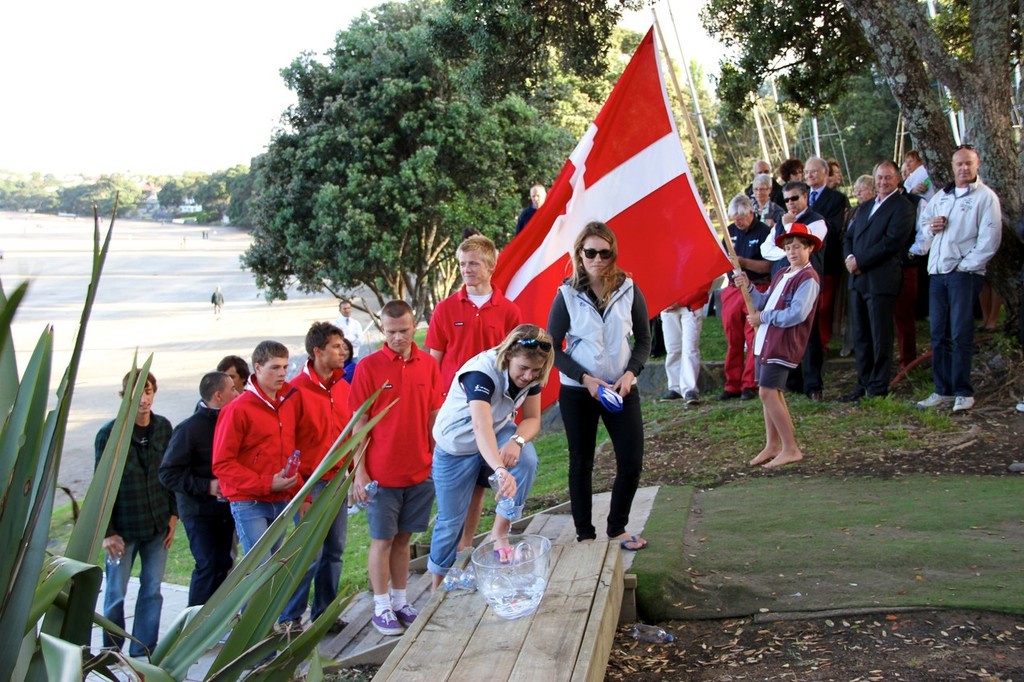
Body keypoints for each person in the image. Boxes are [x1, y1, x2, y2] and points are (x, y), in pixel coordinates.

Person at [547, 221, 652, 550]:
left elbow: (644, 339)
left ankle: (617, 527)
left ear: (613, 254)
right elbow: (553, 346)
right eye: (590, 252)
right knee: (581, 461)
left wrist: (631, 373)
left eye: (604, 253)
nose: (597, 259)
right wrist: (585, 379)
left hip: (620, 387)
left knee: (632, 459)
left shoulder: (629, 288)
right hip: (579, 390)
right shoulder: (566, 294)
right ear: (579, 253)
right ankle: (585, 533)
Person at [427, 325, 553, 587]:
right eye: (523, 369)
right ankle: (435, 585)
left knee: (527, 459)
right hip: (457, 444)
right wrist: (499, 469)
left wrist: (516, 441)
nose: (528, 376)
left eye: (535, 371)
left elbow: (532, 419)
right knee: (451, 520)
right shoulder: (480, 374)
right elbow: (479, 427)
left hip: (495, 431)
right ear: (508, 357)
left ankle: (500, 531)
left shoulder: (532, 377)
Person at [349, 300, 443, 636]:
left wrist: (435, 459)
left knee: (404, 539)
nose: (398, 338)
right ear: (381, 330)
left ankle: (401, 601)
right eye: (391, 332)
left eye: (404, 330)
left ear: (414, 325)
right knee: (382, 540)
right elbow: (359, 423)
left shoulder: (428, 365)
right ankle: (381, 606)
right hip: (381, 475)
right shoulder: (368, 368)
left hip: (420, 471)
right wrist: (359, 473)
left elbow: (434, 415)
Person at [425, 234, 521, 551]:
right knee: (455, 490)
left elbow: (516, 363)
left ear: (490, 266)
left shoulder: (508, 311)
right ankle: (447, 556)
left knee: (480, 487)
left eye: (474, 264)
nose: (466, 270)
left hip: (492, 412)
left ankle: (467, 546)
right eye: (462, 264)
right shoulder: (445, 309)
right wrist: (433, 405)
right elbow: (433, 363)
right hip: (456, 413)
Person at [915, 145, 1002, 412]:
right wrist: (932, 228)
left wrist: (966, 266)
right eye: (959, 164)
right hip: (938, 273)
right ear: (952, 167)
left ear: (977, 165)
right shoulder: (942, 195)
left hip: (963, 274)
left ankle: (964, 390)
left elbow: (990, 238)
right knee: (938, 332)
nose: (963, 169)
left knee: (960, 330)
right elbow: (924, 226)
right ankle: (943, 389)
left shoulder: (985, 198)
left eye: (968, 163)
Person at [279, 322, 354, 633]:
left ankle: (325, 614)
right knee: (310, 552)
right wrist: (302, 493)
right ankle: (290, 618)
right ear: (317, 351)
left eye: (343, 346)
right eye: (336, 346)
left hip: (339, 481)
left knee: (335, 549)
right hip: (310, 484)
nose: (343, 351)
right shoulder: (295, 391)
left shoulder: (345, 387)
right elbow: (287, 446)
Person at [97, 370, 177, 657]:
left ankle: (143, 649)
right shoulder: (109, 434)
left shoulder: (164, 428)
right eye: (136, 393)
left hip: (157, 524)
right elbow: (101, 487)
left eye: (148, 391)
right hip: (123, 530)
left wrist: (173, 514)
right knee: (115, 593)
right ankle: (111, 650)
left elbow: (170, 474)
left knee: (152, 589)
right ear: (125, 396)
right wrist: (106, 533)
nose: (143, 399)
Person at [733, 223, 822, 468]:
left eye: (797, 247)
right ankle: (772, 444)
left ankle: (791, 448)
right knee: (769, 392)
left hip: (783, 343)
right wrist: (748, 286)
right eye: (788, 248)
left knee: (768, 392)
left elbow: (796, 314)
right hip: (766, 340)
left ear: (809, 249)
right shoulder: (782, 273)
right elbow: (765, 301)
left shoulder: (808, 278)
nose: (792, 252)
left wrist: (763, 318)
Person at [212, 341, 301, 560]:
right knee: (260, 569)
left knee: (272, 569)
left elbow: (292, 447)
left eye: (285, 367)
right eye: (275, 367)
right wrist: (266, 482)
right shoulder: (237, 409)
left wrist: (295, 489)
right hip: (249, 501)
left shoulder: (288, 402)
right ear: (258, 368)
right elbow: (222, 463)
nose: (282, 373)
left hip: (280, 499)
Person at [159, 371, 239, 606]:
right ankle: (193, 629)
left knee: (223, 563)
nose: (237, 393)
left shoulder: (232, 420)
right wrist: (207, 486)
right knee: (208, 565)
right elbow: (168, 474)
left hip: (225, 509)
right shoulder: (189, 429)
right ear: (218, 395)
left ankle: (216, 623)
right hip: (198, 512)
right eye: (232, 389)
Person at [840, 160, 915, 401]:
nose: (883, 182)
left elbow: (891, 243)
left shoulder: (903, 207)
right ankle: (862, 382)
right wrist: (850, 258)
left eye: (888, 177)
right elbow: (848, 237)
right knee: (861, 334)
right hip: (857, 280)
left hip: (881, 280)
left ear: (897, 179)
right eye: (880, 177)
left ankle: (878, 385)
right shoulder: (865, 206)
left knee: (880, 334)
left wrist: (860, 261)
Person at [760, 181, 828, 400]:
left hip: (806, 282)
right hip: (782, 280)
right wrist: (788, 250)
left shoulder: (816, 221)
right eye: (786, 199)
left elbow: (809, 243)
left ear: (805, 197)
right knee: (784, 334)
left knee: (808, 334)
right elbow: (766, 249)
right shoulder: (781, 222)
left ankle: (813, 385)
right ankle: (791, 382)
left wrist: (788, 229)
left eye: (794, 198)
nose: (790, 203)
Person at [720, 194, 773, 401]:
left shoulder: (764, 232)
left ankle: (749, 383)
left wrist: (743, 262)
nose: (738, 222)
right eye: (735, 218)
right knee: (733, 339)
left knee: (753, 337)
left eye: (741, 218)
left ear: (751, 213)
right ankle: (731, 383)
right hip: (733, 290)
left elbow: (768, 265)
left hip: (757, 287)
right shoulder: (730, 232)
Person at [804, 156, 850, 355]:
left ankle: (821, 344)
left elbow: (833, 227)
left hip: (826, 260)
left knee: (823, 305)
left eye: (814, 171)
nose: (810, 175)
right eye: (806, 172)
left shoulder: (836, 199)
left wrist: (806, 231)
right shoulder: (801, 195)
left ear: (825, 173)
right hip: (803, 262)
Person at [659, 285, 709, 404]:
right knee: (672, 348)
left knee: (689, 348)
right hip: (668, 306)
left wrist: (679, 301)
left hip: (691, 306)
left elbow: (703, 283)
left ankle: (689, 389)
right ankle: (675, 386)